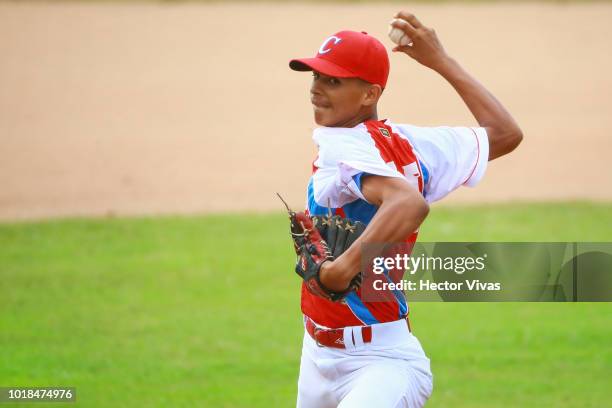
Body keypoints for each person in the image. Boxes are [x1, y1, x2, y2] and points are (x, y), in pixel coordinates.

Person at [288, 11, 522, 408]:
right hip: (317, 357)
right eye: (315, 76)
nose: (316, 89)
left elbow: (408, 203)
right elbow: (505, 134)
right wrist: (441, 61)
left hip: (382, 365)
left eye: (333, 80)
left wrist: (339, 273)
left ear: (369, 94)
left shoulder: (342, 147)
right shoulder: (411, 144)